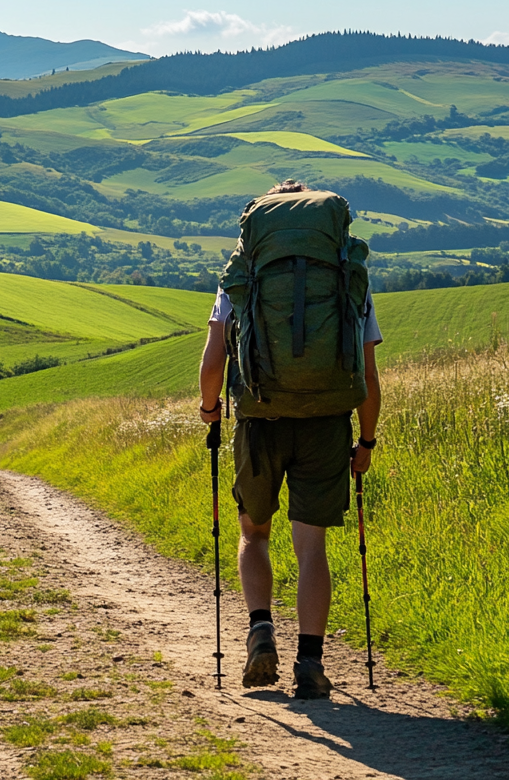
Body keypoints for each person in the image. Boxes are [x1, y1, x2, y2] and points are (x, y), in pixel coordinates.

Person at [197, 180, 382, 700]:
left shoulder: (241, 275)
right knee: (311, 546)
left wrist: (211, 412)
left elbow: (213, 363)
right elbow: (368, 374)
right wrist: (365, 442)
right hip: (327, 419)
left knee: (254, 532)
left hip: (259, 417)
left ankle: (260, 630)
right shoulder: (348, 275)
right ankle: (310, 660)